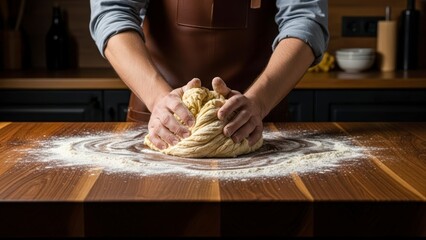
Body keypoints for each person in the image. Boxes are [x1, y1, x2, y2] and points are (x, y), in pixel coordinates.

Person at [90, 0, 329, 150]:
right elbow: (111, 12)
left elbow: (305, 19)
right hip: (160, 121)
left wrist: (260, 101)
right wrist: (159, 99)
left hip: (257, 125)